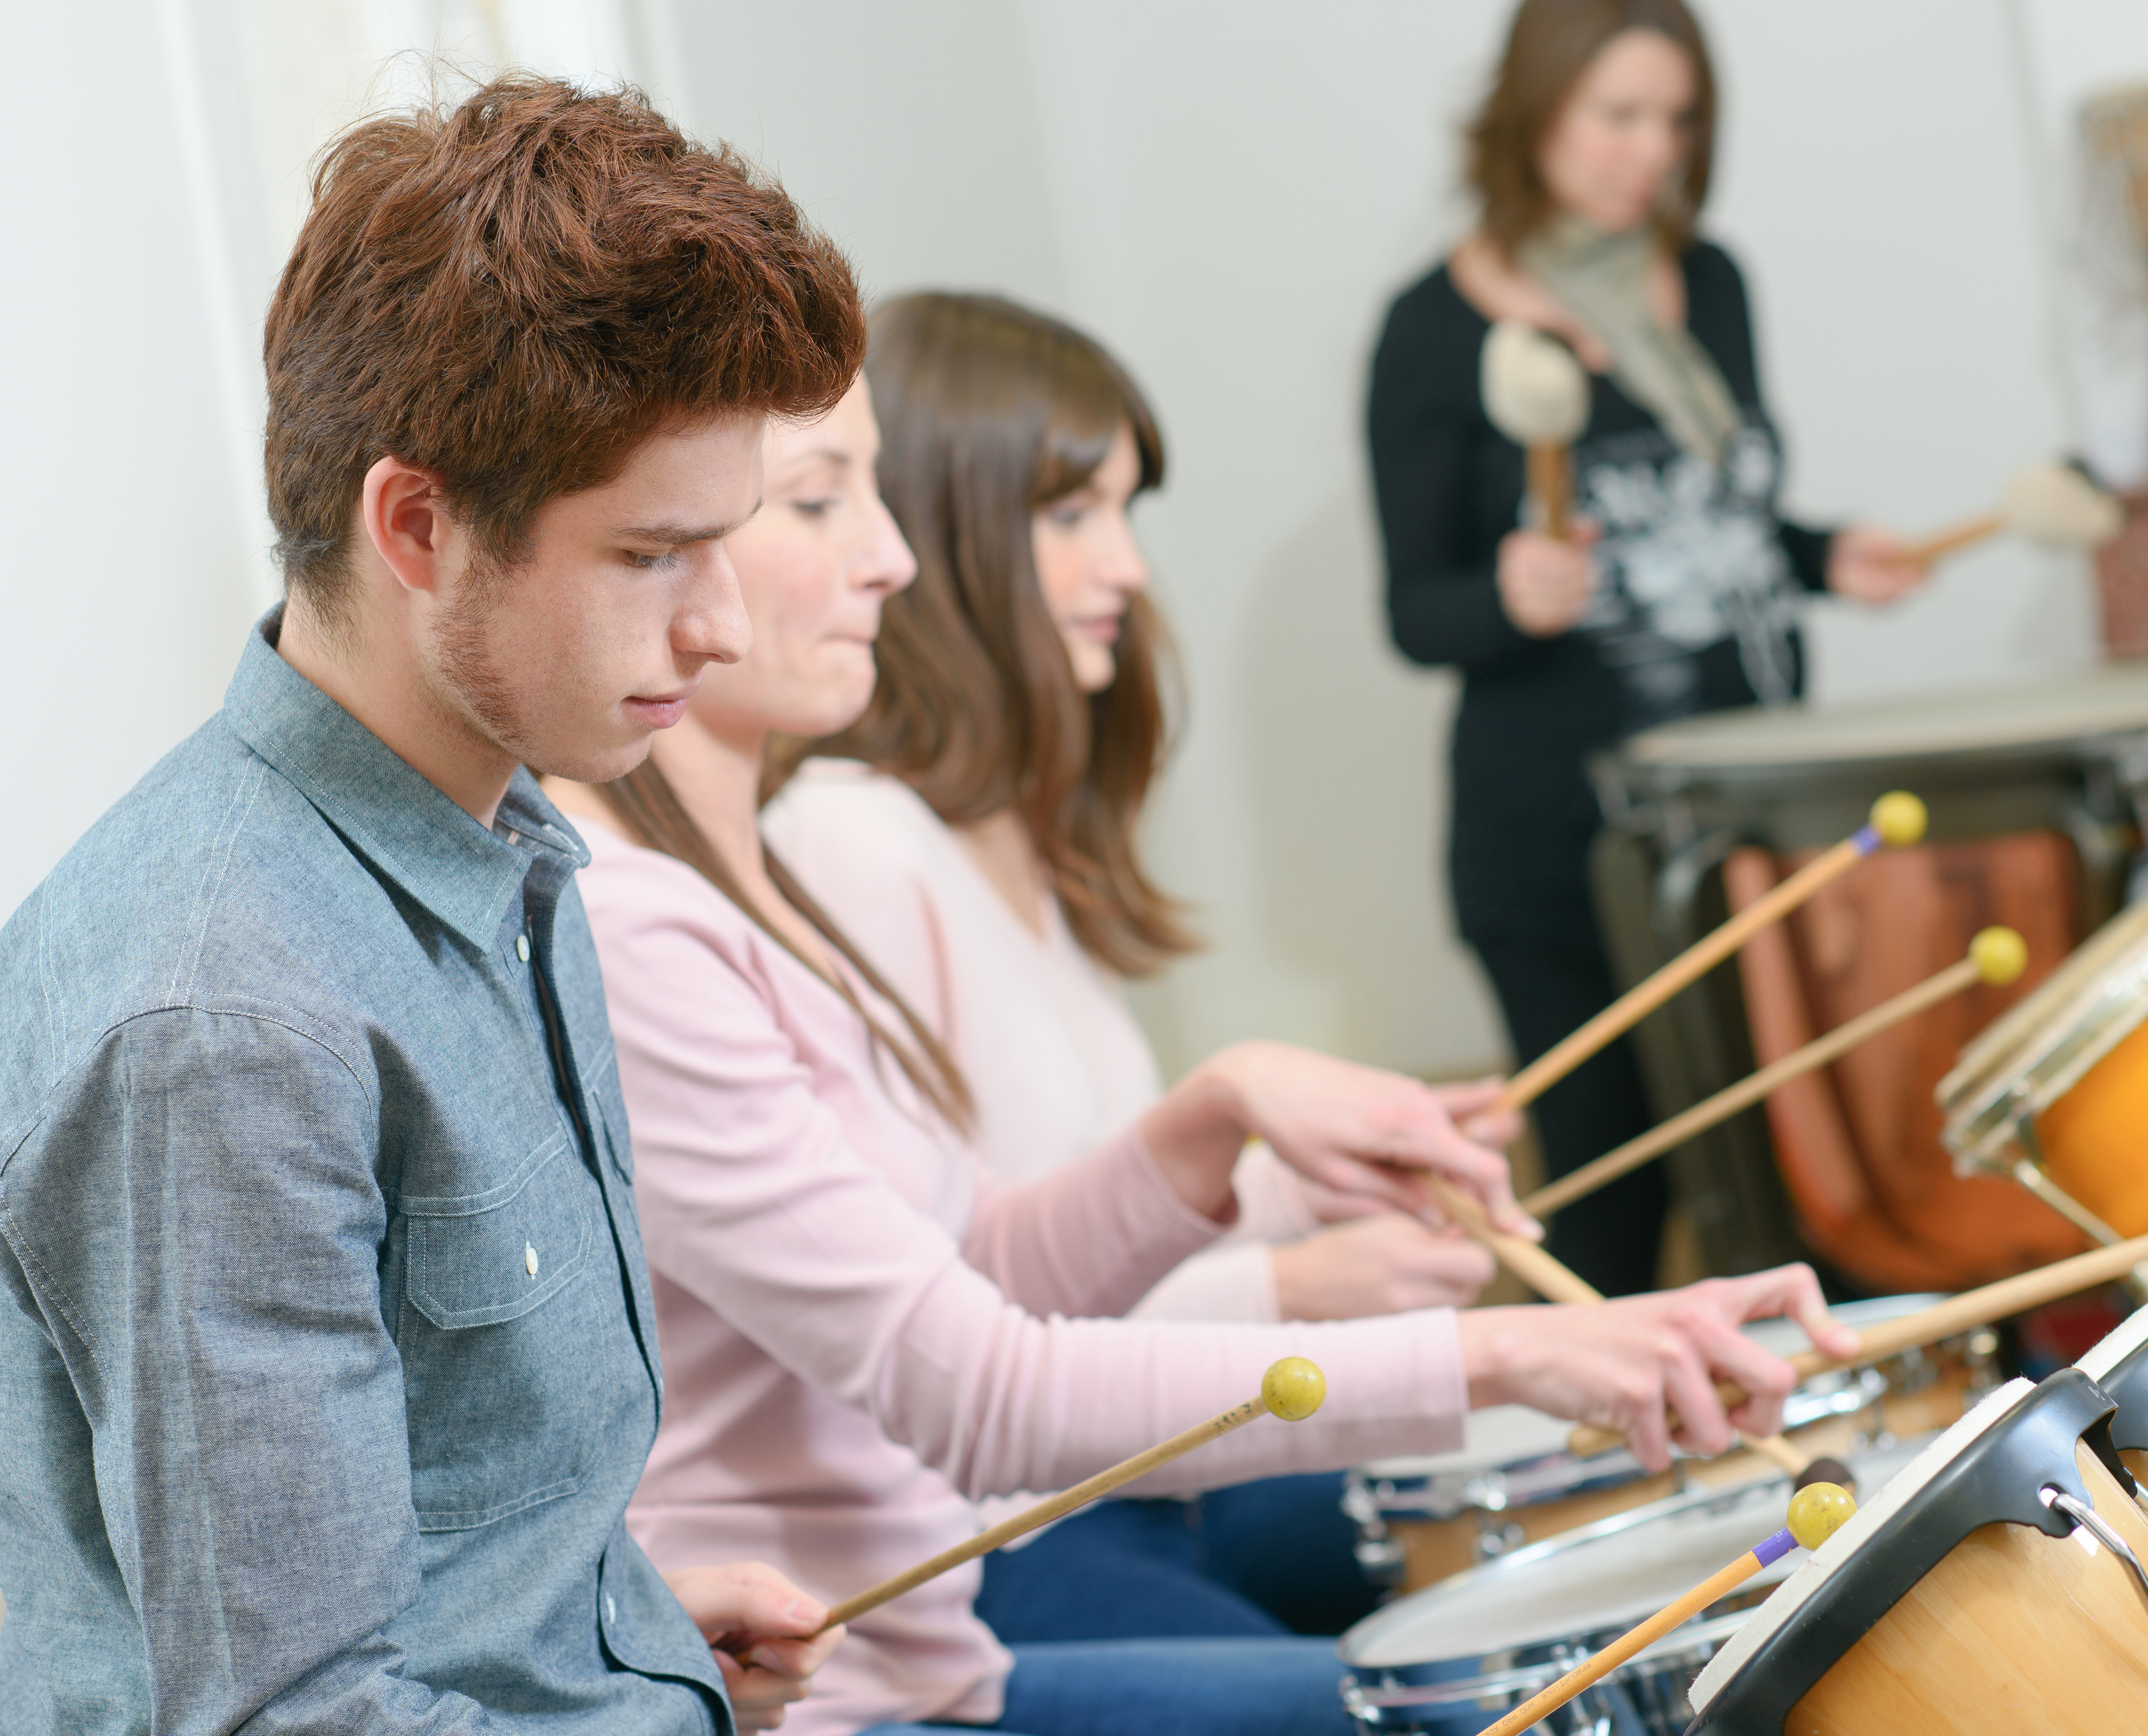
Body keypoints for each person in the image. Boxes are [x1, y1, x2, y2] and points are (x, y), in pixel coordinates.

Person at [544, 373, 1859, 1736]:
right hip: (849, 1698)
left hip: (934, 1669)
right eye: (819, 500)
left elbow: (971, 1272)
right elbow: (980, 1389)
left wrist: (1217, 1123)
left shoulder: (739, 892)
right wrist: (1505, 1353)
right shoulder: (634, 923)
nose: (894, 556)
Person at [0, 78, 864, 1731]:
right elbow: (298, 1721)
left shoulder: (507, 837)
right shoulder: (225, 1026)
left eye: (728, 543)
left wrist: (626, 1628)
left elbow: (396, 1544)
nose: (721, 631)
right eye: (650, 557)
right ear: (417, 525)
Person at [765, 292, 1491, 1641]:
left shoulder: (1008, 836)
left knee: (1510, 1542)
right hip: (997, 1542)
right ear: (947, 527)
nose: (1130, 567)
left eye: (1126, 511)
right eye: (1073, 515)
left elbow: (1090, 1198)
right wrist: (1293, 1289)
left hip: (1125, 1484)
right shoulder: (854, 844)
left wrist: (1318, 1175)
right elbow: (954, 1320)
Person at [1367, 0, 1928, 1296]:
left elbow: (1715, 518)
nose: (1648, 154)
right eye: (1616, 116)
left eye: (1676, 122)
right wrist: (1509, 596)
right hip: (1563, 851)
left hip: (1751, 828)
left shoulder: (1710, 281)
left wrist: (1819, 553)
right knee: (1623, 1216)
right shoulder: (1435, 330)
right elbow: (1412, 612)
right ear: (1532, 112)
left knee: (1808, 1186)